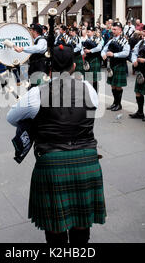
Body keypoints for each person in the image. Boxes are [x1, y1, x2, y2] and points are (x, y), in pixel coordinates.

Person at [7, 43, 106, 245]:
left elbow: (12, 118)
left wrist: (36, 120)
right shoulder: (89, 89)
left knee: (55, 223)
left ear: (50, 68)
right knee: (81, 219)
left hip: (51, 162)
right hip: (86, 159)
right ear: (74, 66)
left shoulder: (36, 94)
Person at [102, 22, 131, 111]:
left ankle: (119, 104)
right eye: (112, 29)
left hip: (120, 64)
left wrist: (114, 54)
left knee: (118, 86)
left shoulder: (124, 41)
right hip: (112, 65)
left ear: (120, 30)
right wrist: (103, 54)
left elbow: (126, 53)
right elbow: (104, 49)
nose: (113, 31)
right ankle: (115, 103)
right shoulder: (111, 40)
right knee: (112, 85)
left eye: (115, 29)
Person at [83, 26, 104, 92]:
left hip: (95, 59)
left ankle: (95, 93)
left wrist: (90, 51)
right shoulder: (87, 40)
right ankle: (89, 93)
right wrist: (84, 52)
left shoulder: (99, 38)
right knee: (88, 79)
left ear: (93, 32)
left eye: (89, 32)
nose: (87, 33)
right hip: (88, 59)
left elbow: (99, 48)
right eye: (87, 32)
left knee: (95, 79)